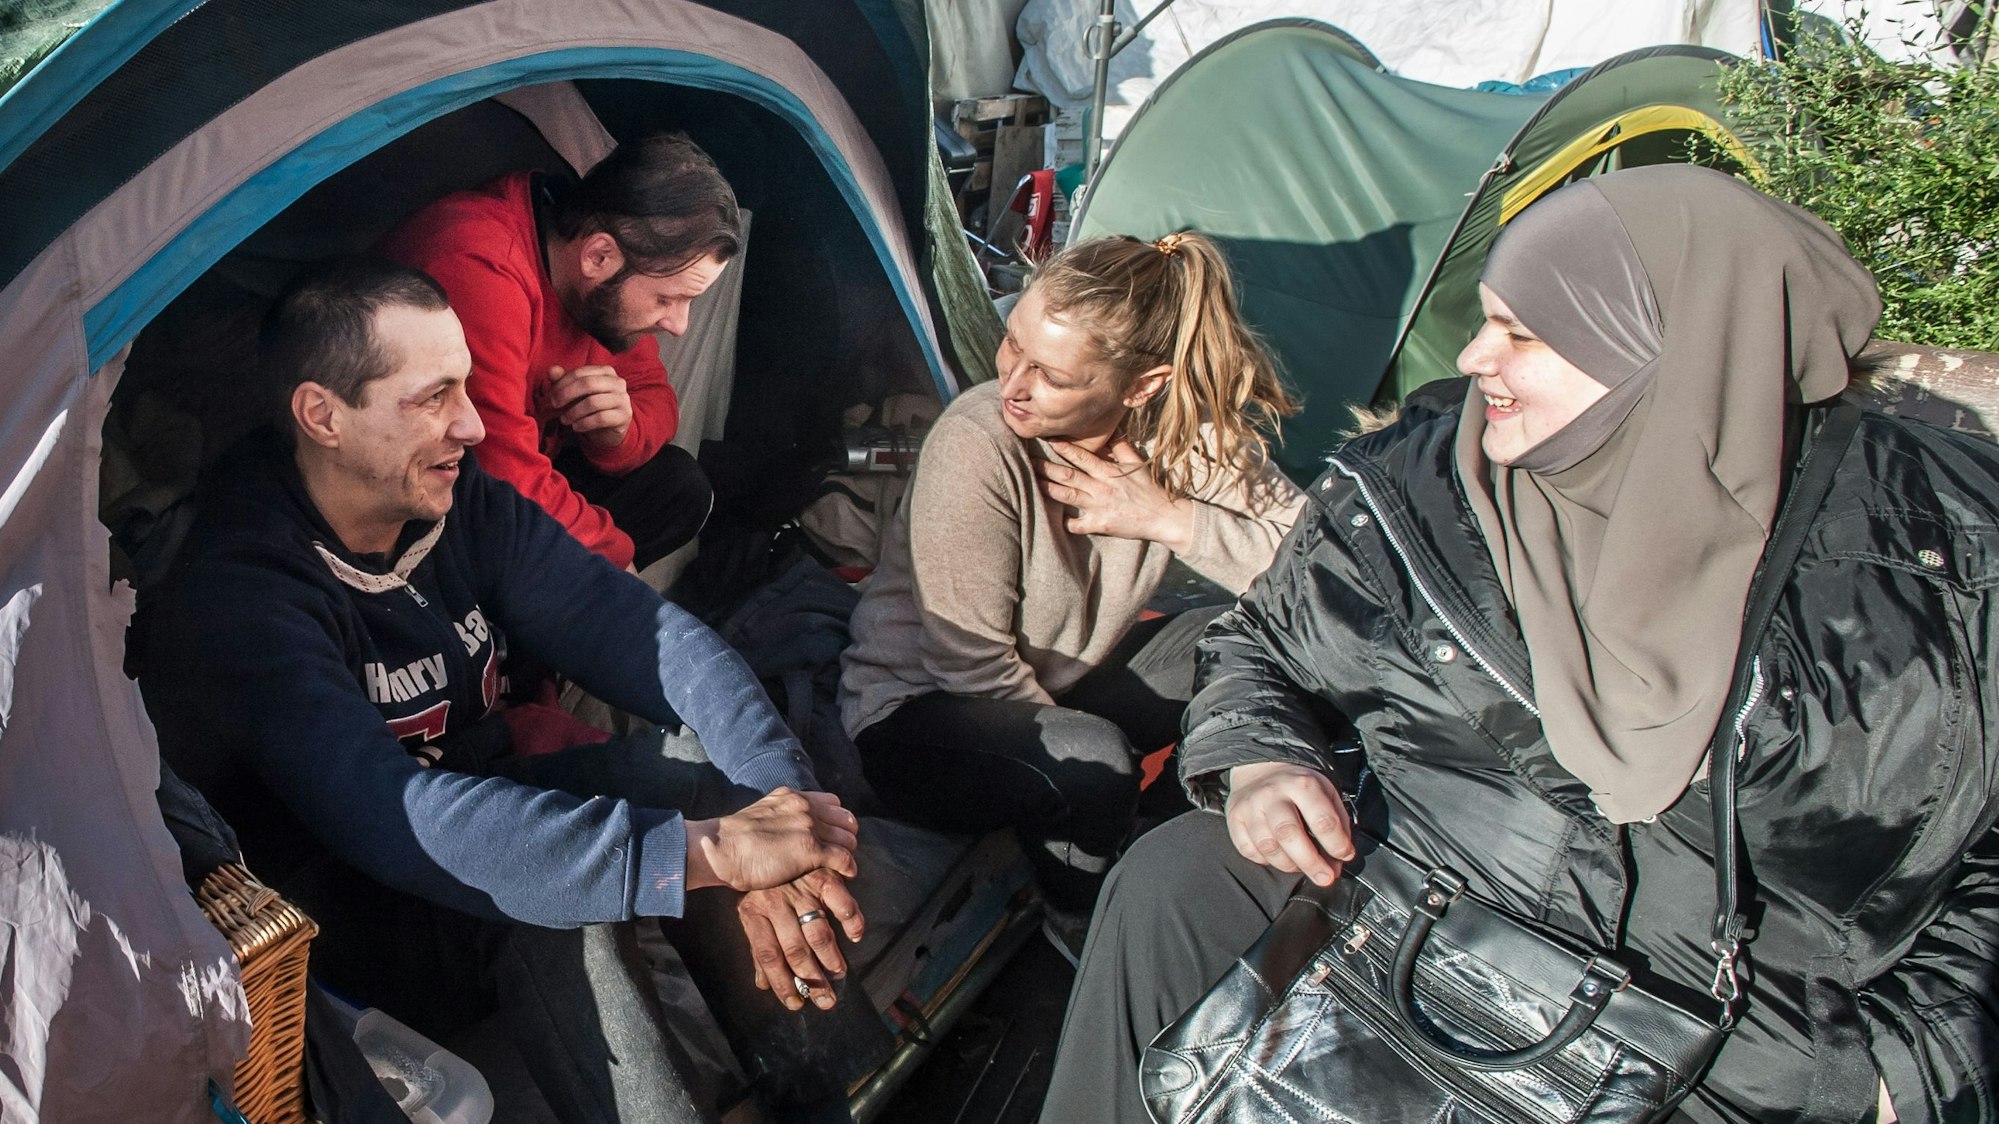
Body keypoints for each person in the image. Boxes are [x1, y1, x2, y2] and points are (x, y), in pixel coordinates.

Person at [1039, 165, 1999, 1123]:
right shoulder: (1424, 486)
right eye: (1485, 318)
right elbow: (1264, 641)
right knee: (1175, 878)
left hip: (1728, 1037)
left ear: (1664, 348)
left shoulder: (1930, 567)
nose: (1469, 358)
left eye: (1522, 334)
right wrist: (1258, 757)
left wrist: (1896, 1068)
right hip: (1417, 927)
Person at [130, 259, 865, 1124]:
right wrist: (700, 854)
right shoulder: (242, 589)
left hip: (486, 797)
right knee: (554, 905)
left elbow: (653, 639)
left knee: (716, 778)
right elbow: (393, 817)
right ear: (322, 416)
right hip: (349, 907)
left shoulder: (458, 504)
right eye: (432, 397)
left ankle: (820, 1096)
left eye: (468, 388)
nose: (473, 425)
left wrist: (785, 812)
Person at [838, 232, 1304, 932]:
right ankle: (1078, 916)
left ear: (1141, 387)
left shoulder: (1177, 437)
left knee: (1261, 638)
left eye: (1052, 376)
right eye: (1011, 345)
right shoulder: (980, 440)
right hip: (922, 715)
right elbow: (968, 666)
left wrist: (1171, 519)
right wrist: (1086, 753)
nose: (1013, 384)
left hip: (1064, 684)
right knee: (1088, 763)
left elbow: (1319, 565)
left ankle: (1150, 842)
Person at [379, 132, 736, 572]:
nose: (679, 326)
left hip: (517, 474)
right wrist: (613, 566)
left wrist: (617, 433)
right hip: (426, 491)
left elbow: (655, 394)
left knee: (679, 487)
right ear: (599, 256)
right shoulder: (480, 267)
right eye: (667, 299)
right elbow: (498, 473)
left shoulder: (601, 284)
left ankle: (542, 612)